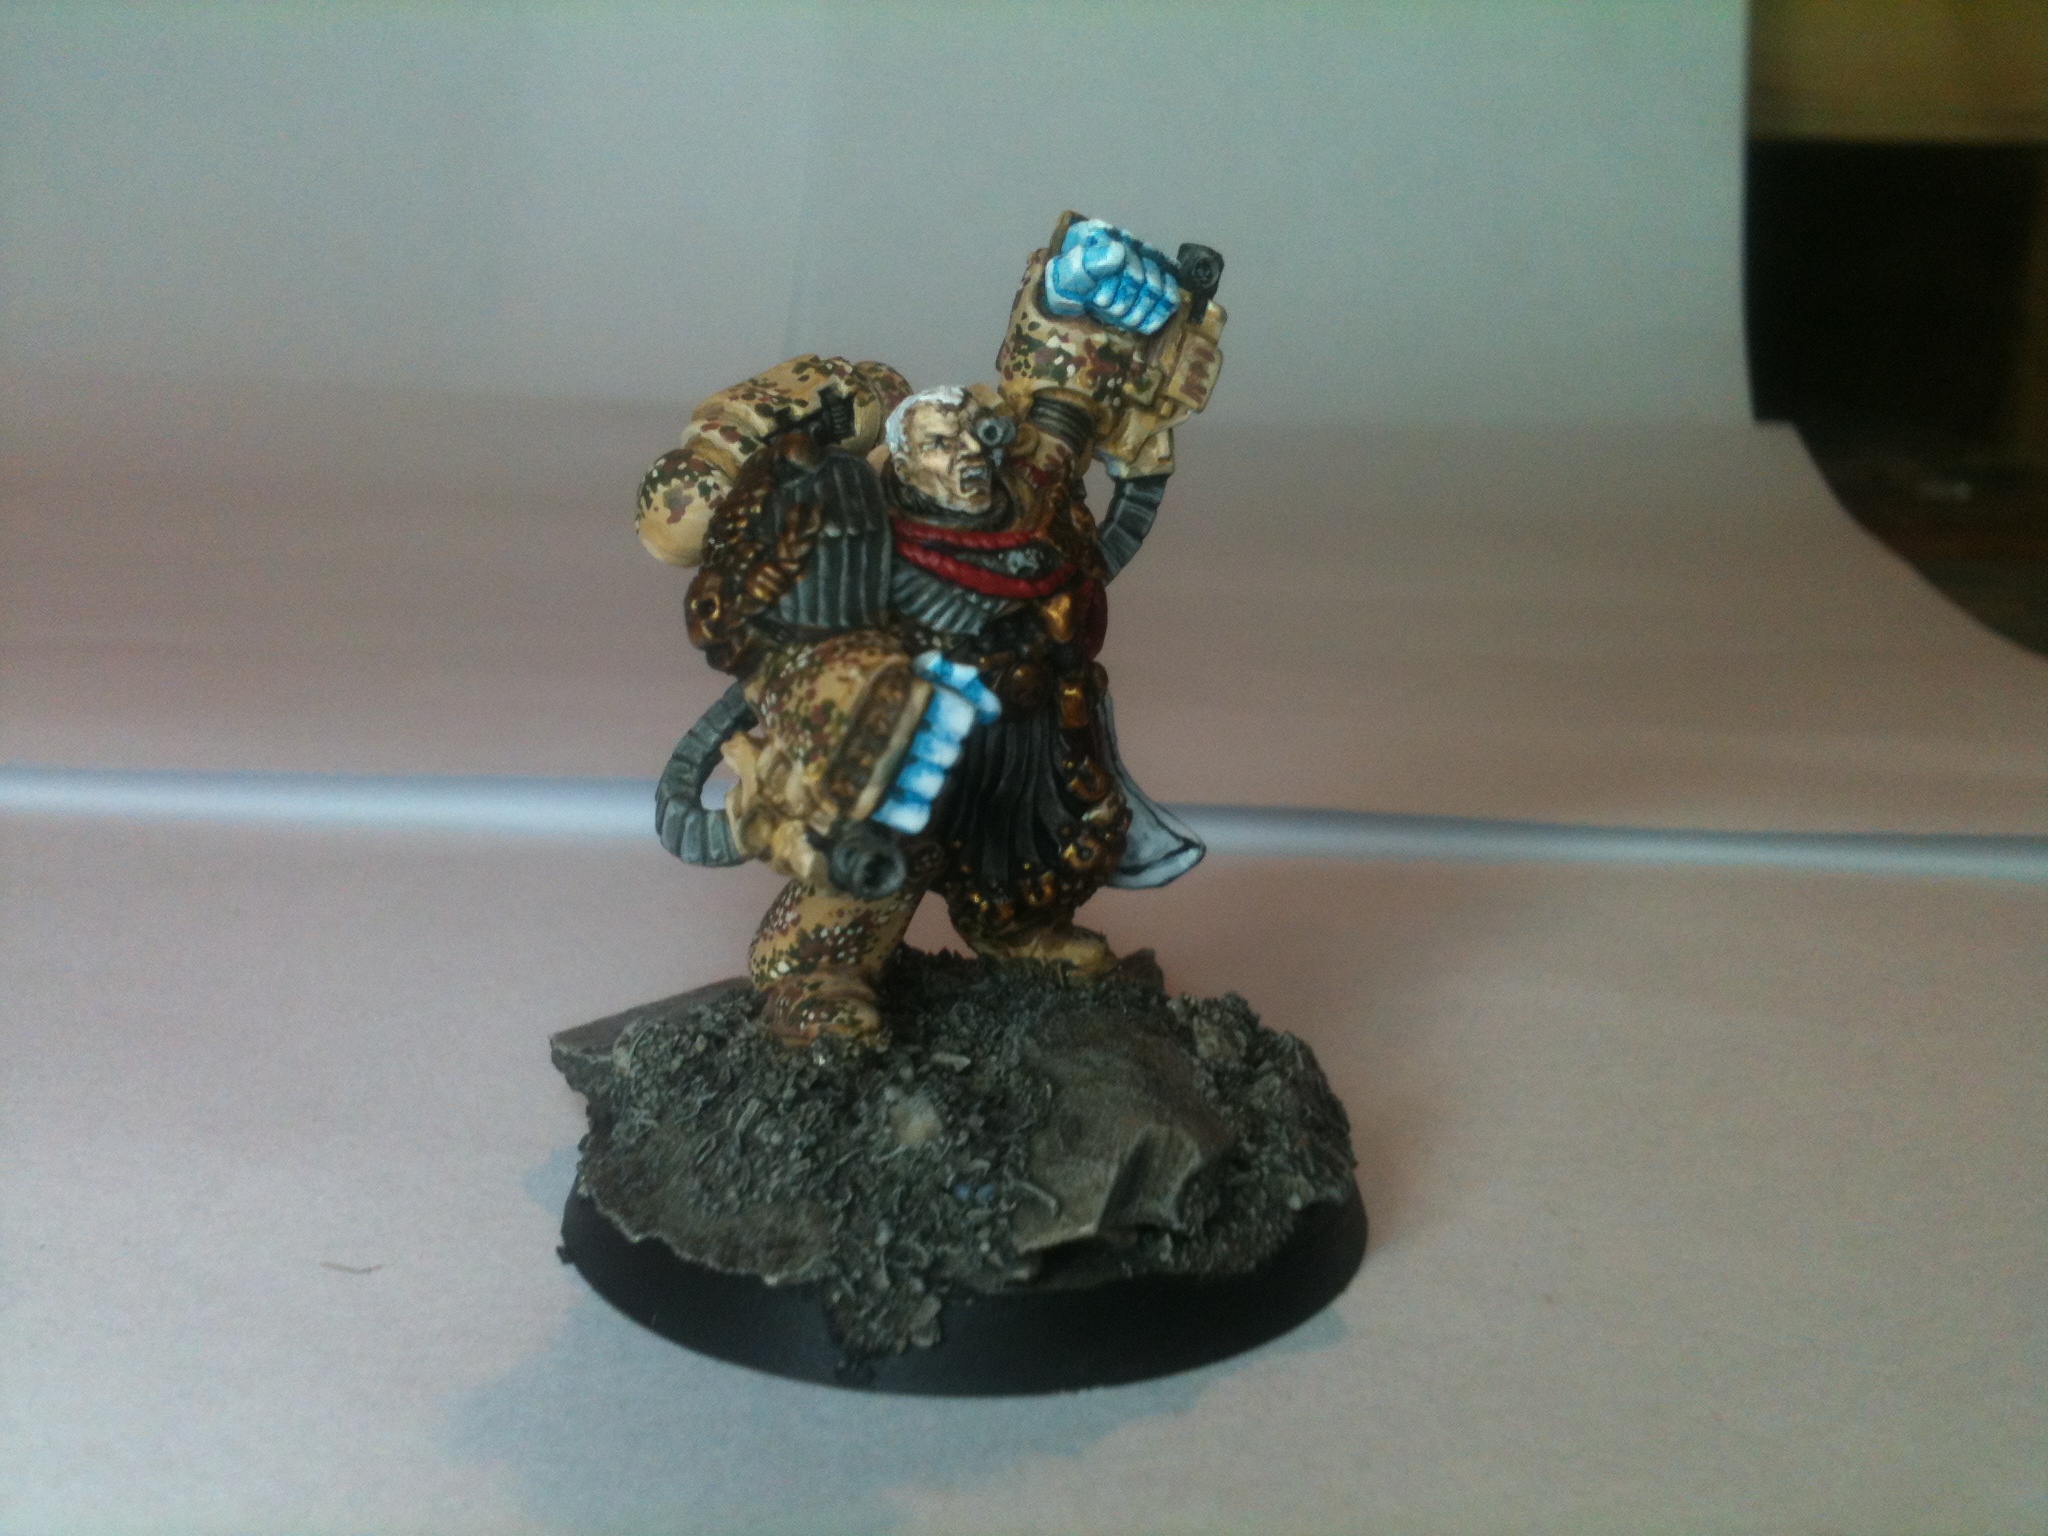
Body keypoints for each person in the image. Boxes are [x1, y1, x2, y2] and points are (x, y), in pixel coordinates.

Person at [635, 215, 1226, 1049]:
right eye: (940, 447)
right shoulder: (859, 544)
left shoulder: (1024, 483)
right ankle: (812, 972)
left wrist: (1076, 305)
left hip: (1026, 722)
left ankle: (1015, 932)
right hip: (908, 718)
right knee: (879, 840)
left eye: (972, 437)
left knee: (1046, 838)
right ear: (905, 463)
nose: (968, 458)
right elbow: (717, 552)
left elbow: (1065, 405)